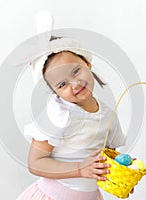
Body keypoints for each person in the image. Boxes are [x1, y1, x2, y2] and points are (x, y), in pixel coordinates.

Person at [17, 36, 127, 200]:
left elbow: (106, 155)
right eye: (62, 84)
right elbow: (35, 163)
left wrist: (120, 173)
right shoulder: (57, 115)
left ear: (87, 63)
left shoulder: (108, 115)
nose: (75, 84)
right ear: (55, 92)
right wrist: (80, 169)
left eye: (76, 71)